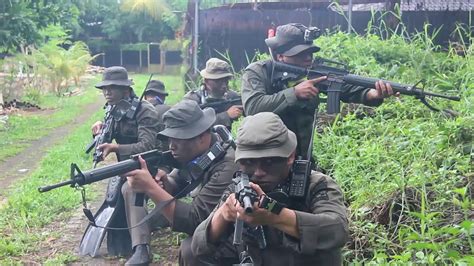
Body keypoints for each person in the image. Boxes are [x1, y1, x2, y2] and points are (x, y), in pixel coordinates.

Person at [191, 112, 349, 265]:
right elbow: (198, 247)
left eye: (269, 162)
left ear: (290, 156)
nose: (259, 172)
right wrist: (223, 214)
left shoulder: (316, 184)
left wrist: (275, 216)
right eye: (249, 162)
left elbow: (337, 230)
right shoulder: (241, 187)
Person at [241, 23, 397, 157]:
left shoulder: (311, 71)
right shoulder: (258, 72)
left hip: (301, 156)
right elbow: (253, 108)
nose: (308, 58)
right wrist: (294, 93)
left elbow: (345, 87)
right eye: (300, 54)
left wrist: (372, 93)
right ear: (280, 56)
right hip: (263, 158)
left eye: (310, 52)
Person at [124, 100, 238, 265]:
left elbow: (195, 221)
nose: (172, 147)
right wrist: (164, 181)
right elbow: (178, 180)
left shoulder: (227, 165)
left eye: (179, 139)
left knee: (190, 249)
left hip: (240, 233)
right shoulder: (203, 152)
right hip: (217, 223)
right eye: (170, 140)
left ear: (201, 136)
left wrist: (150, 187)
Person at [85, 66, 162, 257]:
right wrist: (100, 133)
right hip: (128, 166)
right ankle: (121, 243)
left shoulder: (145, 111)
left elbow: (148, 146)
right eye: (104, 88)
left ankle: (141, 248)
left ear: (126, 90)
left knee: (130, 190)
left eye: (113, 87)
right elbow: (108, 136)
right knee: (114, 194)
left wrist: (116, 148)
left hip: (154, 164)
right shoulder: (113, 110)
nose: (107, 92)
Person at [184, 58, 242, 129]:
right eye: (218, 81)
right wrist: (226, 116)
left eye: (226, 81)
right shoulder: (192, 100)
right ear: (206, 81)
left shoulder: (232, 97)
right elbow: (189, 126)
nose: (224, 86)